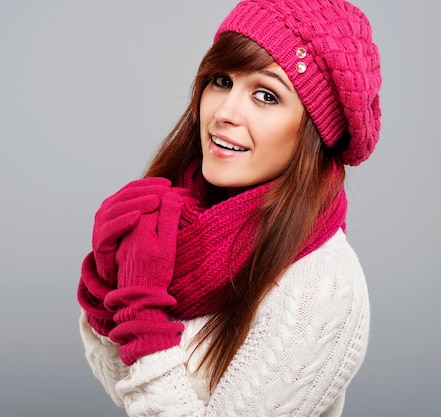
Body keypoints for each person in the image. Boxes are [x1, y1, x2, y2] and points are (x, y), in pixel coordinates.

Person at [77, 0, 381, 415]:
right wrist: (116, 284)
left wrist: (142, 319)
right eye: (221, 80)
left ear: (312, 131)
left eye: (265, 95)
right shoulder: (169, 222)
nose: (224, 112)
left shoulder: (318, 290)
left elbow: (142, 373)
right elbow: (126, 389)